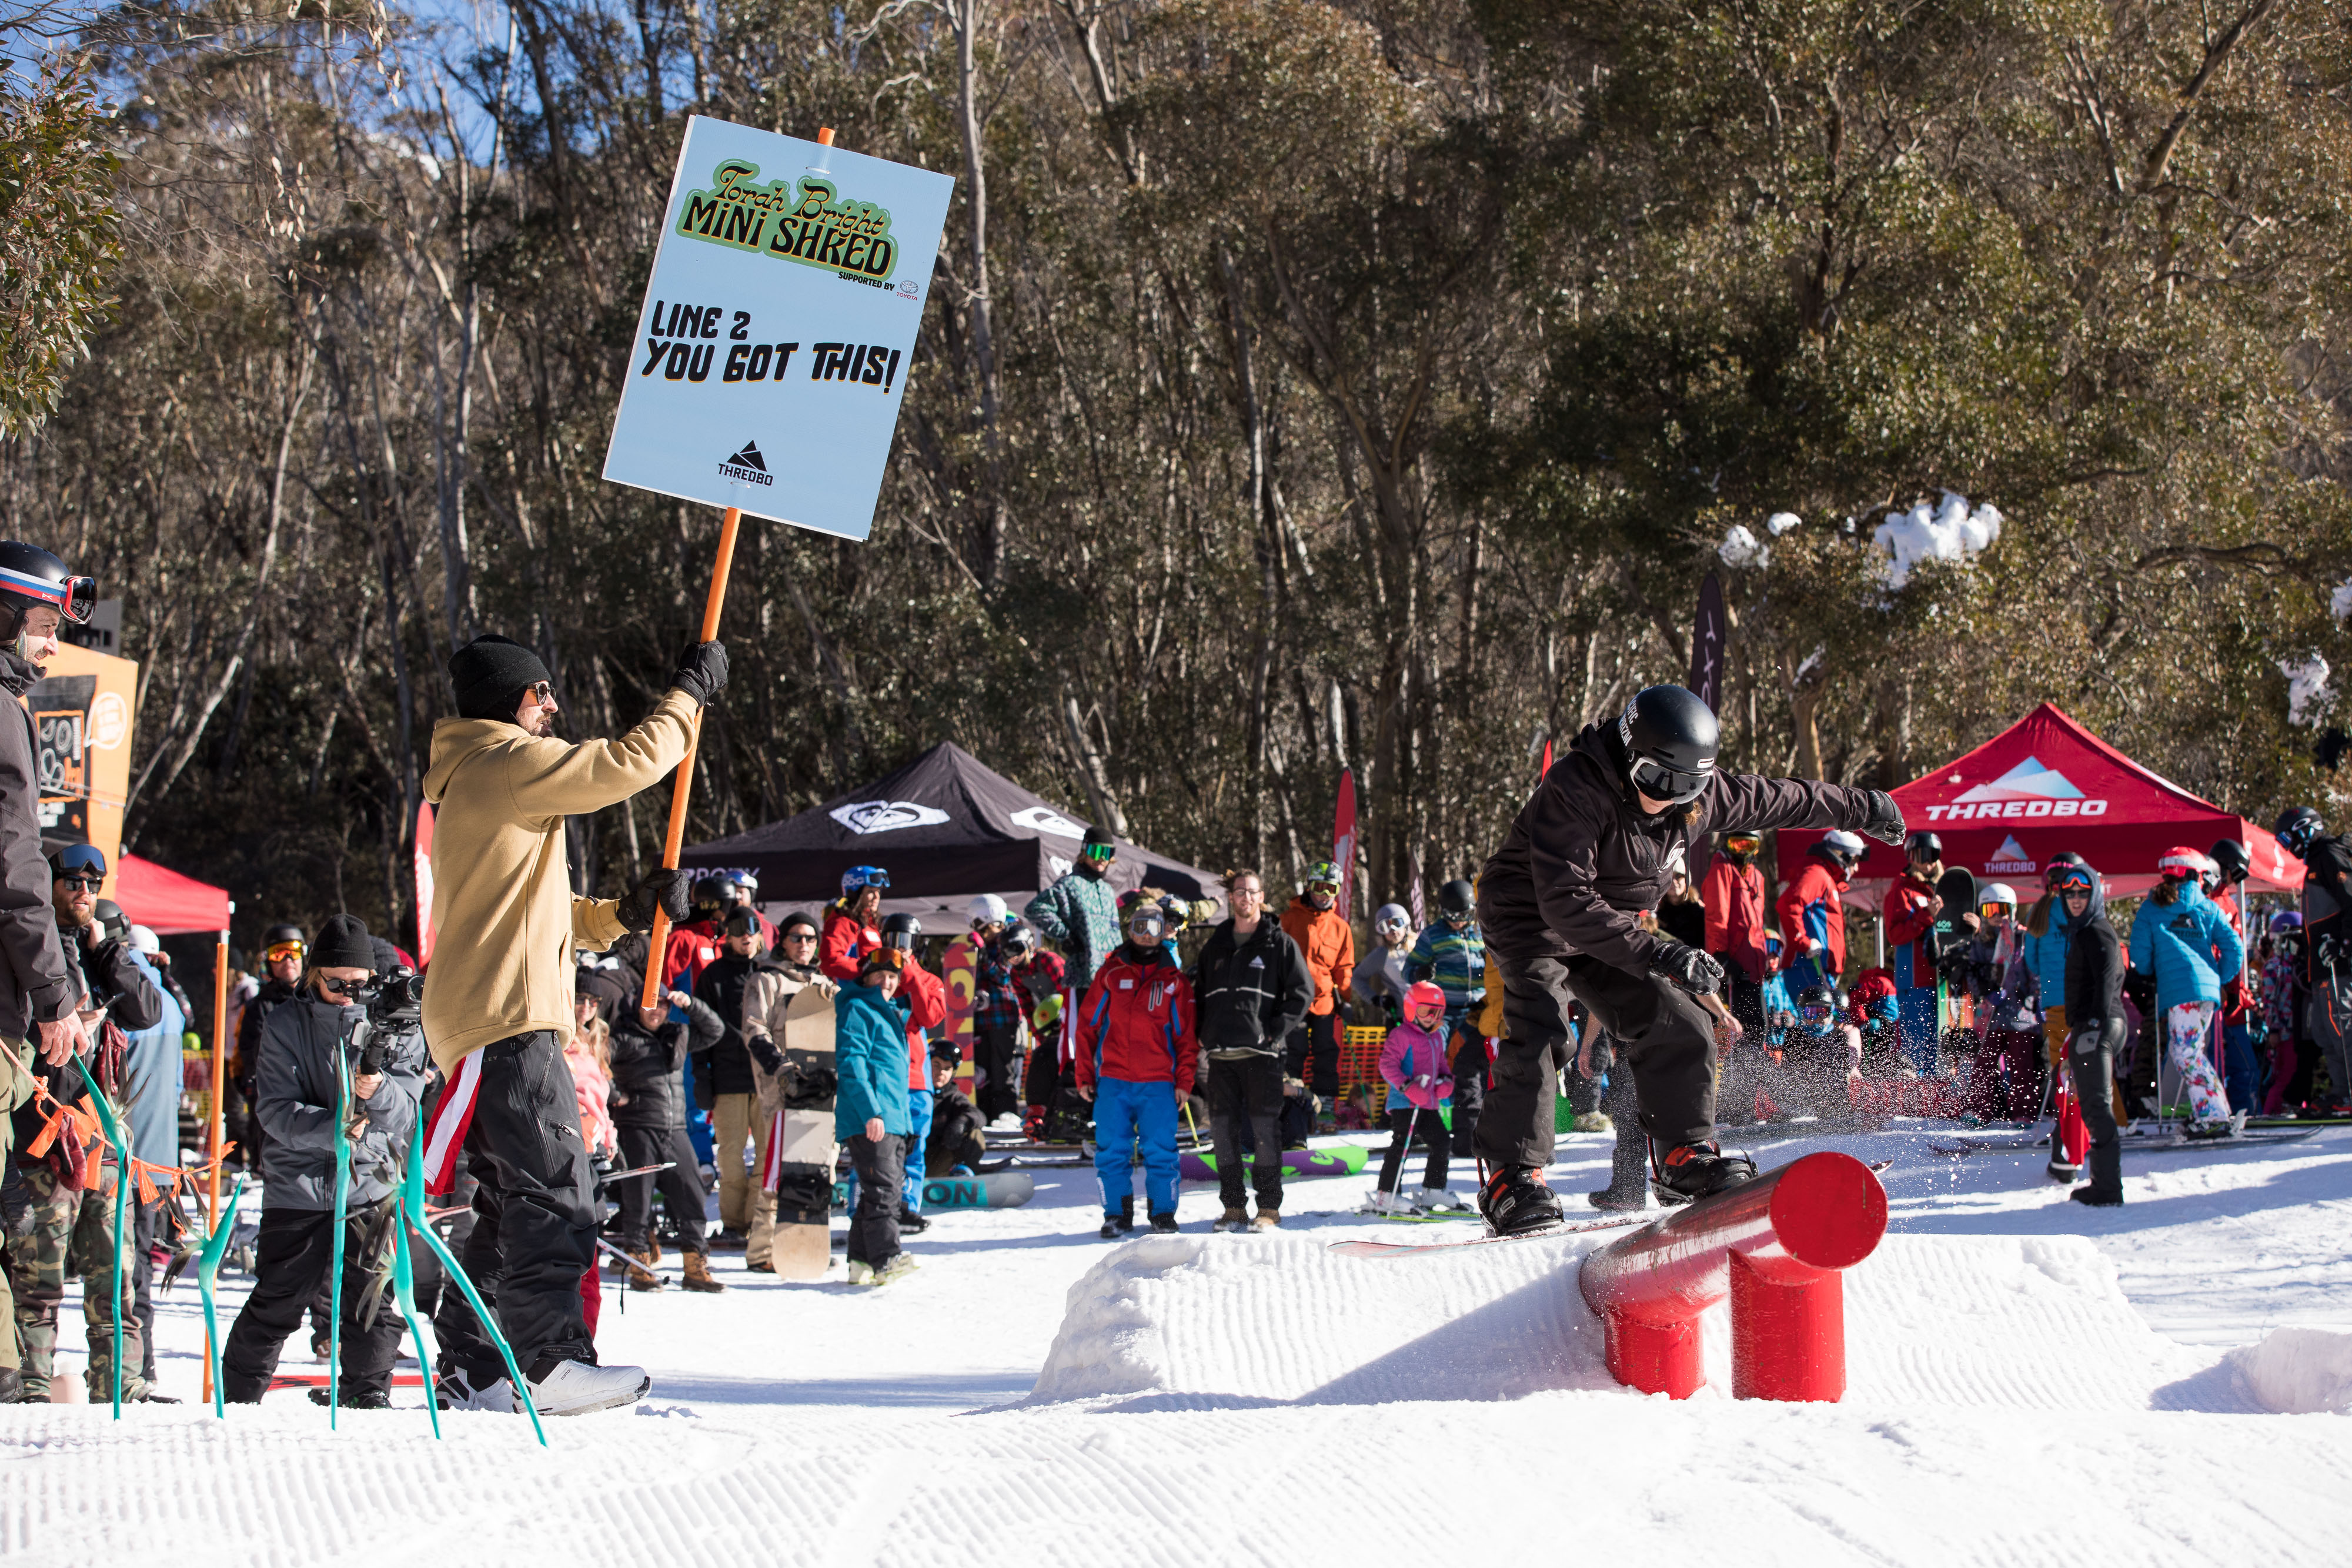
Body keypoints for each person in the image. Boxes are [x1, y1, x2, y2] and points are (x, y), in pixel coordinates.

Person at [419, 630, 719, 1416]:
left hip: (487, 1009)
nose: (552, 704)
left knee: (506, 1201)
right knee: (560, 1190)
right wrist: (688, 695)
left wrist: (625, 913)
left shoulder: (477, 780)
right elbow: (624, 764)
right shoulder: (506, 762)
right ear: (506, 702)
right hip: (507, 1013)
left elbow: (548, 914)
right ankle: (547, 1357)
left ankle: (473, 1367)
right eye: (539, 691)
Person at [1473, 685, 1903, 1231]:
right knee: (1542, 1027)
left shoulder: (1698, 797)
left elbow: (1784, 798)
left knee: (1681, 1018)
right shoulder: (1577, 787)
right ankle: (1513, 1176)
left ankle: (1684, 1156)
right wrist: (1663, 950)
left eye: (1688, 785)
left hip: (1612, 926)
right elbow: (1566, 903)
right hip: (1532, 913)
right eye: (1657, 780)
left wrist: (1863, 807)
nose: (1670, 797)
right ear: (1630, 753)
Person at [219, 915, 426, 1405]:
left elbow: (409, 1115)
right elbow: (273, 1108)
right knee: (279, 1300)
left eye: (361, 984)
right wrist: (330, 1129)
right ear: (315, 977)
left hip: (370, 1185)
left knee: (373, 1302)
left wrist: (378, 1090)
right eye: (337, 984)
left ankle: (368, 1397)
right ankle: (238, 1402)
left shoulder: (394, 1023)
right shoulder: (286, 1022)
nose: (350, 994)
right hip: (299, 1187)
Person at [5, 842, 165, 1403]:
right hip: (44, 1135)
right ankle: (27, 1385)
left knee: (115, 1275)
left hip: (102, 1137)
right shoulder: (30, 949)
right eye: (72, 880)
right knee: (38, 1274)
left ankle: (121, 1383)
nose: (85, 891)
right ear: (46, 884)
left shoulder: (96, 947)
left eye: (93, 882)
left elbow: (149, 1009)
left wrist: (108, 950)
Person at [1188, 868, 1312, 1231]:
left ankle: (1269, 1210)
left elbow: (1302, 995)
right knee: (1223, 1135)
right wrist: (1202, 1035)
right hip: (1221, 1057)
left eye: (1252, 891)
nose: (1246, 897)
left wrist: (1274, 1034)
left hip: (1263, 1057)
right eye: (1240, 891)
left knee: (1264, 1134)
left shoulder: (1280, 943)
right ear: (1231, 897)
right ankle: (1233, 1209)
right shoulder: (1215, 946)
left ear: (1261, 897)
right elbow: (1200, 998)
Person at [1073, 898, 1197, 1236]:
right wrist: (1084, 1073)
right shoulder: (1111, 973)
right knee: (1112, 1151)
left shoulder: (1174, 980)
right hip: (1114, 1080)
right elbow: (1087, 1026)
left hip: (1159, 1082)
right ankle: (1116, 1215)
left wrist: (1185, 1080)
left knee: (1161, 1151)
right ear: (1130, 930)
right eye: (1139, 926)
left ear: (1163, 932)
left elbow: (1187, 1037)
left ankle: (1163, 1215)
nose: (1145, 934)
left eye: (1153, 927)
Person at [603, 977, 724, 1292]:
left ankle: (696, 1267)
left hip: (675, 1130)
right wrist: (615, 1094)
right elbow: (598, 1061)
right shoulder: (624, 1036)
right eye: (649, 1004)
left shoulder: (678, 1034)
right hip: (638, 1128)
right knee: (638, 1202)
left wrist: (691, 1005)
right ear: (637, 1006)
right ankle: (640, 1266)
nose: (655, 1011)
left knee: (693, 1196)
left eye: (662, 1004)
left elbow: (715, 1031)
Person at [738, 910, 836, 1271]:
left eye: (811, 939)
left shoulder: (824, 982)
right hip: (782, 1090)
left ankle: (803, 1245)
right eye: (797, 937)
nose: (804, 945)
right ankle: (762, 1250)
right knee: (778, 1169)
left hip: (821, 1091)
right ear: (782, 940)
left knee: (817, 1167)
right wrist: (780, 1068)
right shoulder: (767, 980)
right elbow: (754, 1030)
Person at [2125, 848, 2246, 1137]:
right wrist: (2218, 978)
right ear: (2196, 874)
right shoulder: (2207, 906)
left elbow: (2140, 956)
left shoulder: (2153, 907)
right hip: (2205, 991)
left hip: (2180, 991)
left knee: (2186, 1054)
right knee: (2189, 1052)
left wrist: (2152, 971)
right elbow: (2234, 948)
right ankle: (2213, 1112)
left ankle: (2214, 1115)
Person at [119, 923, 186, 1389]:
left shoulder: (121, 999)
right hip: (160, 1158)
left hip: (125, 1154)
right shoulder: (169, 1001)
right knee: (140, 1260)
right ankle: (141, 1367)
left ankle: (130, 1371)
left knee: (126, 1266)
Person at [835, 947, 918, 1286]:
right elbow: (851, 1062)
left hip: (894, 1119)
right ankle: (887, 1258)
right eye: (879, 976)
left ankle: (860, 1262)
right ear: (866, 978)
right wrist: (871, 1111)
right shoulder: (858, 1008)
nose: (886, 982)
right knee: (884, 1191)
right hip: (872, 1117)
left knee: (879, 1192)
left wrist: (905, 1124)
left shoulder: (893, 1014)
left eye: (892, 977)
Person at [693, 909, 769, 1252]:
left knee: (767, 1157)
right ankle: (733, 1223)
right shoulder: (714, 975)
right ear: (728, 935)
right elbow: (700, 1031)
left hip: (767, 1080)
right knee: (731, 1158)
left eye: (752, 930)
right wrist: (703, 1077)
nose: (746, 936)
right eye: (739, 930)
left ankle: (757, 1221)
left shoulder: (770, 972)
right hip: (728, 1079)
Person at [2056, 861, 2126, 1206]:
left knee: (2097, 1106)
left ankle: (2108, 1187)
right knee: (2093, 1103)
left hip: (2098, 1027)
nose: (2077, 900)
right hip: (2092, 1027)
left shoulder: (2096, 930)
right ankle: (2104, 1182)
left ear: (2095, 894)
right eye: (2070, 894)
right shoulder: (2083, 930)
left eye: (2084, 893)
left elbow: (2108, 977)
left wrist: (2094, 1023)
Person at [2276, 807, 2352, 1115]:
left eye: (2286, 838)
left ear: (2305, 829)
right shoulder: (2314, 866)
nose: (2286, 847)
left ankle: (2349, 1093)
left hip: (2340, 965)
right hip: (2321, 968)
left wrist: (2343, 942)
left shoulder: (2330, 856)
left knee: (2344, 1028)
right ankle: (2341, 1092)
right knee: (2325, 1032)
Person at [1366, 982, 1462, 1213]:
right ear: (1411, 1008)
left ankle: (1433, 1189)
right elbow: (1387, 1065)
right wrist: (1407, 1087)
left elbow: (1441, 1065)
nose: (1430, 1017)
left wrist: (1446, 1082)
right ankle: (1387, 1194)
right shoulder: (1401, 1034)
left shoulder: (1437, 1037)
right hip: (1404, 1103)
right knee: (1402, 1145)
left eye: (1436, 1012)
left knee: (1442, 1142)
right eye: (1424, 1011)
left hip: (1427, 1103)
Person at [1277, 861, 1355, 1128]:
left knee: (1326, 1052)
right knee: (1294, 1052)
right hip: (1293, 1000)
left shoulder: (1340, 927)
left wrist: (1346, 999)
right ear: (1309, 887)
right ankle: (1292, 1106)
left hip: (1324, 1001)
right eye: (1319, 887)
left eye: (1331, 889)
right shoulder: (1287, 919)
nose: (1324, 894)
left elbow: (1344, 967)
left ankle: (1326, 1110)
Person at [1963, 884, 2044, 1122]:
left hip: (2020, 1014)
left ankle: (2023, 1112)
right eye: (1991, 911)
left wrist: (2032, 997)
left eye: (2003, 910)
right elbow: (1973, 972)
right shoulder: (1982, 942)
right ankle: (1979, 1109)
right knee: (1984, 1064)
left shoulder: (2023, 938)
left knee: (2021, 1066)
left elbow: (2033, 970)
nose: (1998, 917)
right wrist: (1985, 994)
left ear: (2014, 910)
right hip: (1992, 1015)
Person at [232, 923, 308, 1171]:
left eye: (293, 952)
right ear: (268, 962)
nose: (288, 960)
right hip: (273, 1098)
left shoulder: (318, 1001)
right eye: (278, 954)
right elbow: (245, 1054)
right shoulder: (258, 1006)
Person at [1882, 831, 1949, 1072]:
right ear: (1911, 858)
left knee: (1944, 1043)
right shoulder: (1902, 892)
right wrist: (1926, 916)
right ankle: (1917, 1097)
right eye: (1921, 855)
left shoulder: (1945, 889)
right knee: (1919, 1045)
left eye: (1933, 855)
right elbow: (1895, 935)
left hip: (1943, 980)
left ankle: (1941, 1095)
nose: (1928, 862)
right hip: (1915, 980)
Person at [2205, 839, 2260, 1116]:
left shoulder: (2229, 902)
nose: (2235, 881)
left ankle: (2246, 1113)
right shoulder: (2204, 899)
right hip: (2210, 996)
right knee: (2208, 1062)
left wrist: (2238, 990)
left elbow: (2236, 948)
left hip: (2233, 1000)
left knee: (2246, 1066)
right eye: (2234, 874)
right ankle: (2209, 1113)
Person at [1701, 829, 1771, 1039]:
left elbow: (1757, 924)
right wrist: (1720, 955)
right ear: (1726, 844)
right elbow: (1716, 916)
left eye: (1748, 846)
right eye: (1737, 845)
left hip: (1754, 965)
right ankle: (1738, 1069)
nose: (1743, 852)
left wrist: (1765, 960)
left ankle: (1757, 1069)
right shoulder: (1722, 870)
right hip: (1734, 964)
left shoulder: (1756, 876)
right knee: (1738, 1028)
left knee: (1759, 1027)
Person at [1777, 830, 1864, 997]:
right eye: (1854, 860)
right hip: (1807, 965)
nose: (1857, 867)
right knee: (1817, 1023)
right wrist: (1803, 942)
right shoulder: (1817, 874)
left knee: (1825, 1022)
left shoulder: (1826, 878)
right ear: (1842, 855)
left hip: (1817, 968)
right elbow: (1788, 904)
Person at [966, 898, 1025, 1124]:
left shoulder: (1008, 941)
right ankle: (983, 1114)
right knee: (983, 1072)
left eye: (980, 926)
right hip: (981, 1019)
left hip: (1003, 1019)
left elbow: (1004, 975)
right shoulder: (981, 946)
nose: (979, 932)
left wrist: (983, 956)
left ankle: (1005, 1113)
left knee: (1003, 1069)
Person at [821, 867, 889, 982]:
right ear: (855, 893)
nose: (877, 897)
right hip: (853, 993)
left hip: (872, 990)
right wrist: (867, 970)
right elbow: (830, 962)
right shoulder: (843, 922)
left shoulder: (871, 924)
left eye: (878, 891)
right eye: (870, 892)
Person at [1353, 903, 1415, 1026]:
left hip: (1428, 1014)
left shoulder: (1421, 947)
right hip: (1400, 1018)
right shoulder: (1381, 955)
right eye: (1385, 927)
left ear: (1406, 925)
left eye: (1397, 923)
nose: (1393, 930)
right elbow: (1357, 978)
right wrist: (1376, 999)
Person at [1656, 867, 1706, 949]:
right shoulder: (1658, 914)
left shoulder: (1699, 912)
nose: (1674, 882)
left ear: (1687, 880)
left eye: (1678, 877)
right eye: (1668, 876)